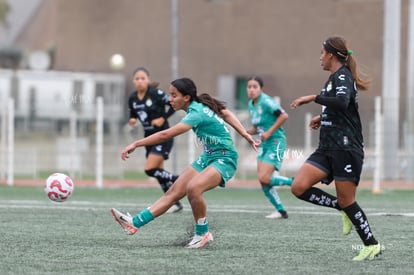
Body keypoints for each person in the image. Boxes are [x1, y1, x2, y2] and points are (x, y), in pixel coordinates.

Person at [112, 77, 259, 248]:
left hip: (225, 159)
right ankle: (134, 223)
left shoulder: (196, 113)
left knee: (193, 188)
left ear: (187, 97)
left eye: (174, 96)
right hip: (208, 157)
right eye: (170, 95)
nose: (170, 99)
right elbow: (224, 112)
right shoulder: (199, 105)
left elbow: (165, 135)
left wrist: (136, 143)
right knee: (173, 192)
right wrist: (245, 134)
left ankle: (203, 233)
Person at [290, 36, 381, 261]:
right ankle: (341, 208)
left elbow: (342, 102)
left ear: (330, 54)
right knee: (298, 187)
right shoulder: (333, 78)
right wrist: (323, 117)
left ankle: (372, 244)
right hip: (327, 147)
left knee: (348, 200)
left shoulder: (343, 76)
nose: (319, 57)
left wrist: (313, 98)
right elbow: (342, 108)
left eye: (321, 53)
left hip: (345, 148)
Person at [127, 67, 183, 213]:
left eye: (143, 78)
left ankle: (178, 178)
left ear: (148, 80)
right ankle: (175, 203)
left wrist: (162, 118)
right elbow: (133, 113)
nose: (140, 81)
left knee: (150, 169)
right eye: (137, 78)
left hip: (163, 136)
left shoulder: (156, 94)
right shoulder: (132, 98)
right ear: (133, 81)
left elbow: (172, 105)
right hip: (149, 139)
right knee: (159, 173)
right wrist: (132, 119)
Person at [246, 76, 293, 219]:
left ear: (261, 89)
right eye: (249, 87)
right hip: (264, 144)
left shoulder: (266, 102)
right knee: (263, 180)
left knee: (265, 177)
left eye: (255, 87)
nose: (251, 90)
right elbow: (256, 127)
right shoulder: (251, 105)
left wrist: (269, 132)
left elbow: (284, 116)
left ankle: (295, 182)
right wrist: (244, 133)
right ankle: (281, 210)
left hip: (276, 142)